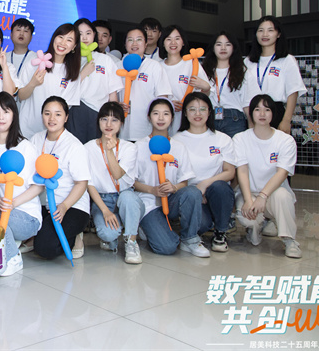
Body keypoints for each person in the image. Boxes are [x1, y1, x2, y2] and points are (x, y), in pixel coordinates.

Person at [0, 92, 44, 276]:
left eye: (6, 111)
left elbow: (38, 185)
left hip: (26, 216)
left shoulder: (25, 147)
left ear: (14, 115)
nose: (1, 117)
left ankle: (13, 257)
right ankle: (7, 240)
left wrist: (13, 203)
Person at [133, 99, 209, 257]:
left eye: (166, 114)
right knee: (167, 248)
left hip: (172, 200)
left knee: (192, 192)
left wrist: (174, 188)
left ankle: (190, 239)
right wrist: (152, 190)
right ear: (149, 117)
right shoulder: (138, 146)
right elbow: (131, 182)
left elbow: (184, 181)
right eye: (156, 113)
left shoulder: (179, 147)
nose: (161, 118)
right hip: (149, 203)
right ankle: (150, 227)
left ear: (172, 118)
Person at [233, 94, 301, 258]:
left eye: (267, 109)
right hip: (249, 192)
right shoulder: (240, 138)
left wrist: (263, 196)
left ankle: (289, 240)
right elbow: (242, 170)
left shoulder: (285, 140)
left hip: (272, 194)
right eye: (257, 109)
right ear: (251, 113)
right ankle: (254, 228)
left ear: (273, 113)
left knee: (283, 196)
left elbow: (282, 172)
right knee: (248, 218)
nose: (262, 114)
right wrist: (248, 200)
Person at [172, 92, 236, 252]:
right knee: (202, 225)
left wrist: (204, 185)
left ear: (209, 112)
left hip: (214, 191)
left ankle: (220, 232)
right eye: (192, 109)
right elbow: (174, 175)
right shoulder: (176, 140)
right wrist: (195, 193)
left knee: (221, 187)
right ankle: (209, 221)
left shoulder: (222, 139)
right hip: (190, 194)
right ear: (185, 113)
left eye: (202, 109)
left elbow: (230, 172)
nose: (197, 114)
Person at [30, 96, 91, 260]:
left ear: (66, 117)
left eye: (58, 114)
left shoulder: (74, 145)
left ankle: (76, 236)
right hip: (43, 204)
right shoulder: (36, 139)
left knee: (45, 248)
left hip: (71, 206)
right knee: (38, 238)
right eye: (47, 113)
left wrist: (64, 206)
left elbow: (81, 183)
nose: (52, 118)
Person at [84, 101, 144, 264]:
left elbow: (117, 174)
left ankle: (131, 241)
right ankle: (115, 233)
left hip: (125, 196)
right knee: (108, 234)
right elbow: (89, 184)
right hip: (102, 199)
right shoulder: (88, 148)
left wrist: (109, 151)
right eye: (104, 119)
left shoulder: (129, 148)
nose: (109, 124)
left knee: (128, 198)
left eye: (114, 120)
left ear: (121, 123)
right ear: (98, 122)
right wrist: (105, 211)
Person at [17, 23, 83, 138]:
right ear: (54, 38)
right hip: (26, 130)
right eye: (60, 37)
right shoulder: (35, 62)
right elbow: (20, 96)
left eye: (69, 40)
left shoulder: (72, 73)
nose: (63, 43)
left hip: (51, 134)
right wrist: (33, 83)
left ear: (74, 46)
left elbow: (64, 108)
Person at [244, 16, 307, 133]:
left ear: (278, 34)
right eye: (261, 30)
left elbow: (293, 91)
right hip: (252, 112)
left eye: (270, 30)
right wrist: (250, 120)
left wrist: (286, 120)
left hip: (276, 111)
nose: (265, 34)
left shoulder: (287, 60)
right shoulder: (248, 62)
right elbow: (244, 93)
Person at [67, 18, 122, 143]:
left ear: (94, 35)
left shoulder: (105, 59)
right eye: (80, 33)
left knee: (97, 149)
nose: (84, 37)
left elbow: (112, 93)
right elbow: (64, 89)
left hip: (99, 113)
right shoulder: (68, 59)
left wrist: (113, 117)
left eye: (88, 33)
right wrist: (82, 73)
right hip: (75, 111)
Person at [118, 27, 171, 142]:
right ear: (125, 44)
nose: (134, 43)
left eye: (139, 39)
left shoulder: (154, 66)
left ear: (146, 44)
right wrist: (117, 105)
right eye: (130, 40)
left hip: (145, 130)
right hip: (121, 130)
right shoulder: (117, 66)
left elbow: (162, 99)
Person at [159, 24, 210, 135]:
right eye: (168, 39)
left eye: (177, 38)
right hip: (163, 123)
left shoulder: (192, 64)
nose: (173, 43)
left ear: (183, 42)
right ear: (163, 43)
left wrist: (206, 87)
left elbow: (205, 95)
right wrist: (168, 104)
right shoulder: (157, 67)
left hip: (188, 122)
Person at [201, 31, 249, 138]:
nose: (223, 48)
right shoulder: (203, 71)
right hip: (209, 118)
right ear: (213, 48)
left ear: (233, 48)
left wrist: (252, 127)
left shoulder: (242, 71)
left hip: (235, 120)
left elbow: (247, 103)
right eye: (219, 44)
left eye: (228, 44)